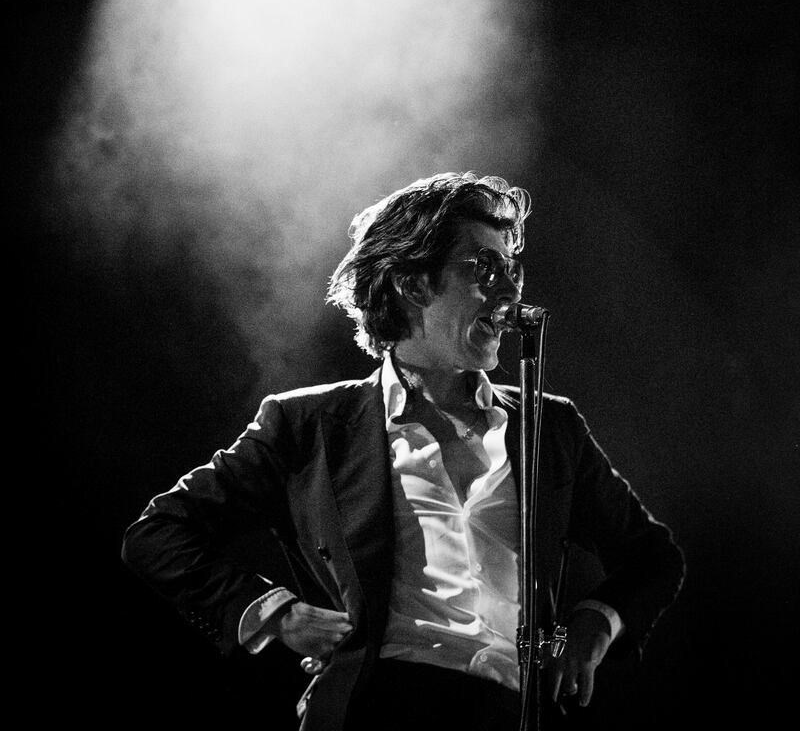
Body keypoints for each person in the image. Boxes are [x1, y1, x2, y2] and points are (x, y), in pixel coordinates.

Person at [122, 172, 684, 729]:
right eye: (483, 269)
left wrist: (594, 621)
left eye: (511, 269)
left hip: (512, 712)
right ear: (413, 284)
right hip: (378, 705)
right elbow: (160, 532)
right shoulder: (310, 424)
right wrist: (276, 612)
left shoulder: (549, 426)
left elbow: (653, 557)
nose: (511, 292)